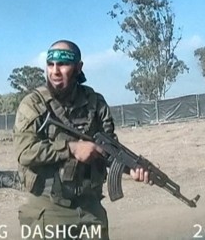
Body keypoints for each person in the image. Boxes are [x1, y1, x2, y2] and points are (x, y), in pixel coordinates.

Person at [14, 40, 150, 239]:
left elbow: (109, 150)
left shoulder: (95, 103)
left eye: (63, 64)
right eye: (50, 64)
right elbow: (25, 152)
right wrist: (71, 149)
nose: (55, 71)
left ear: (78, 67)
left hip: (90, 210)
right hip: (47, 211)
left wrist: (132, 168)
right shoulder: (33, 104)